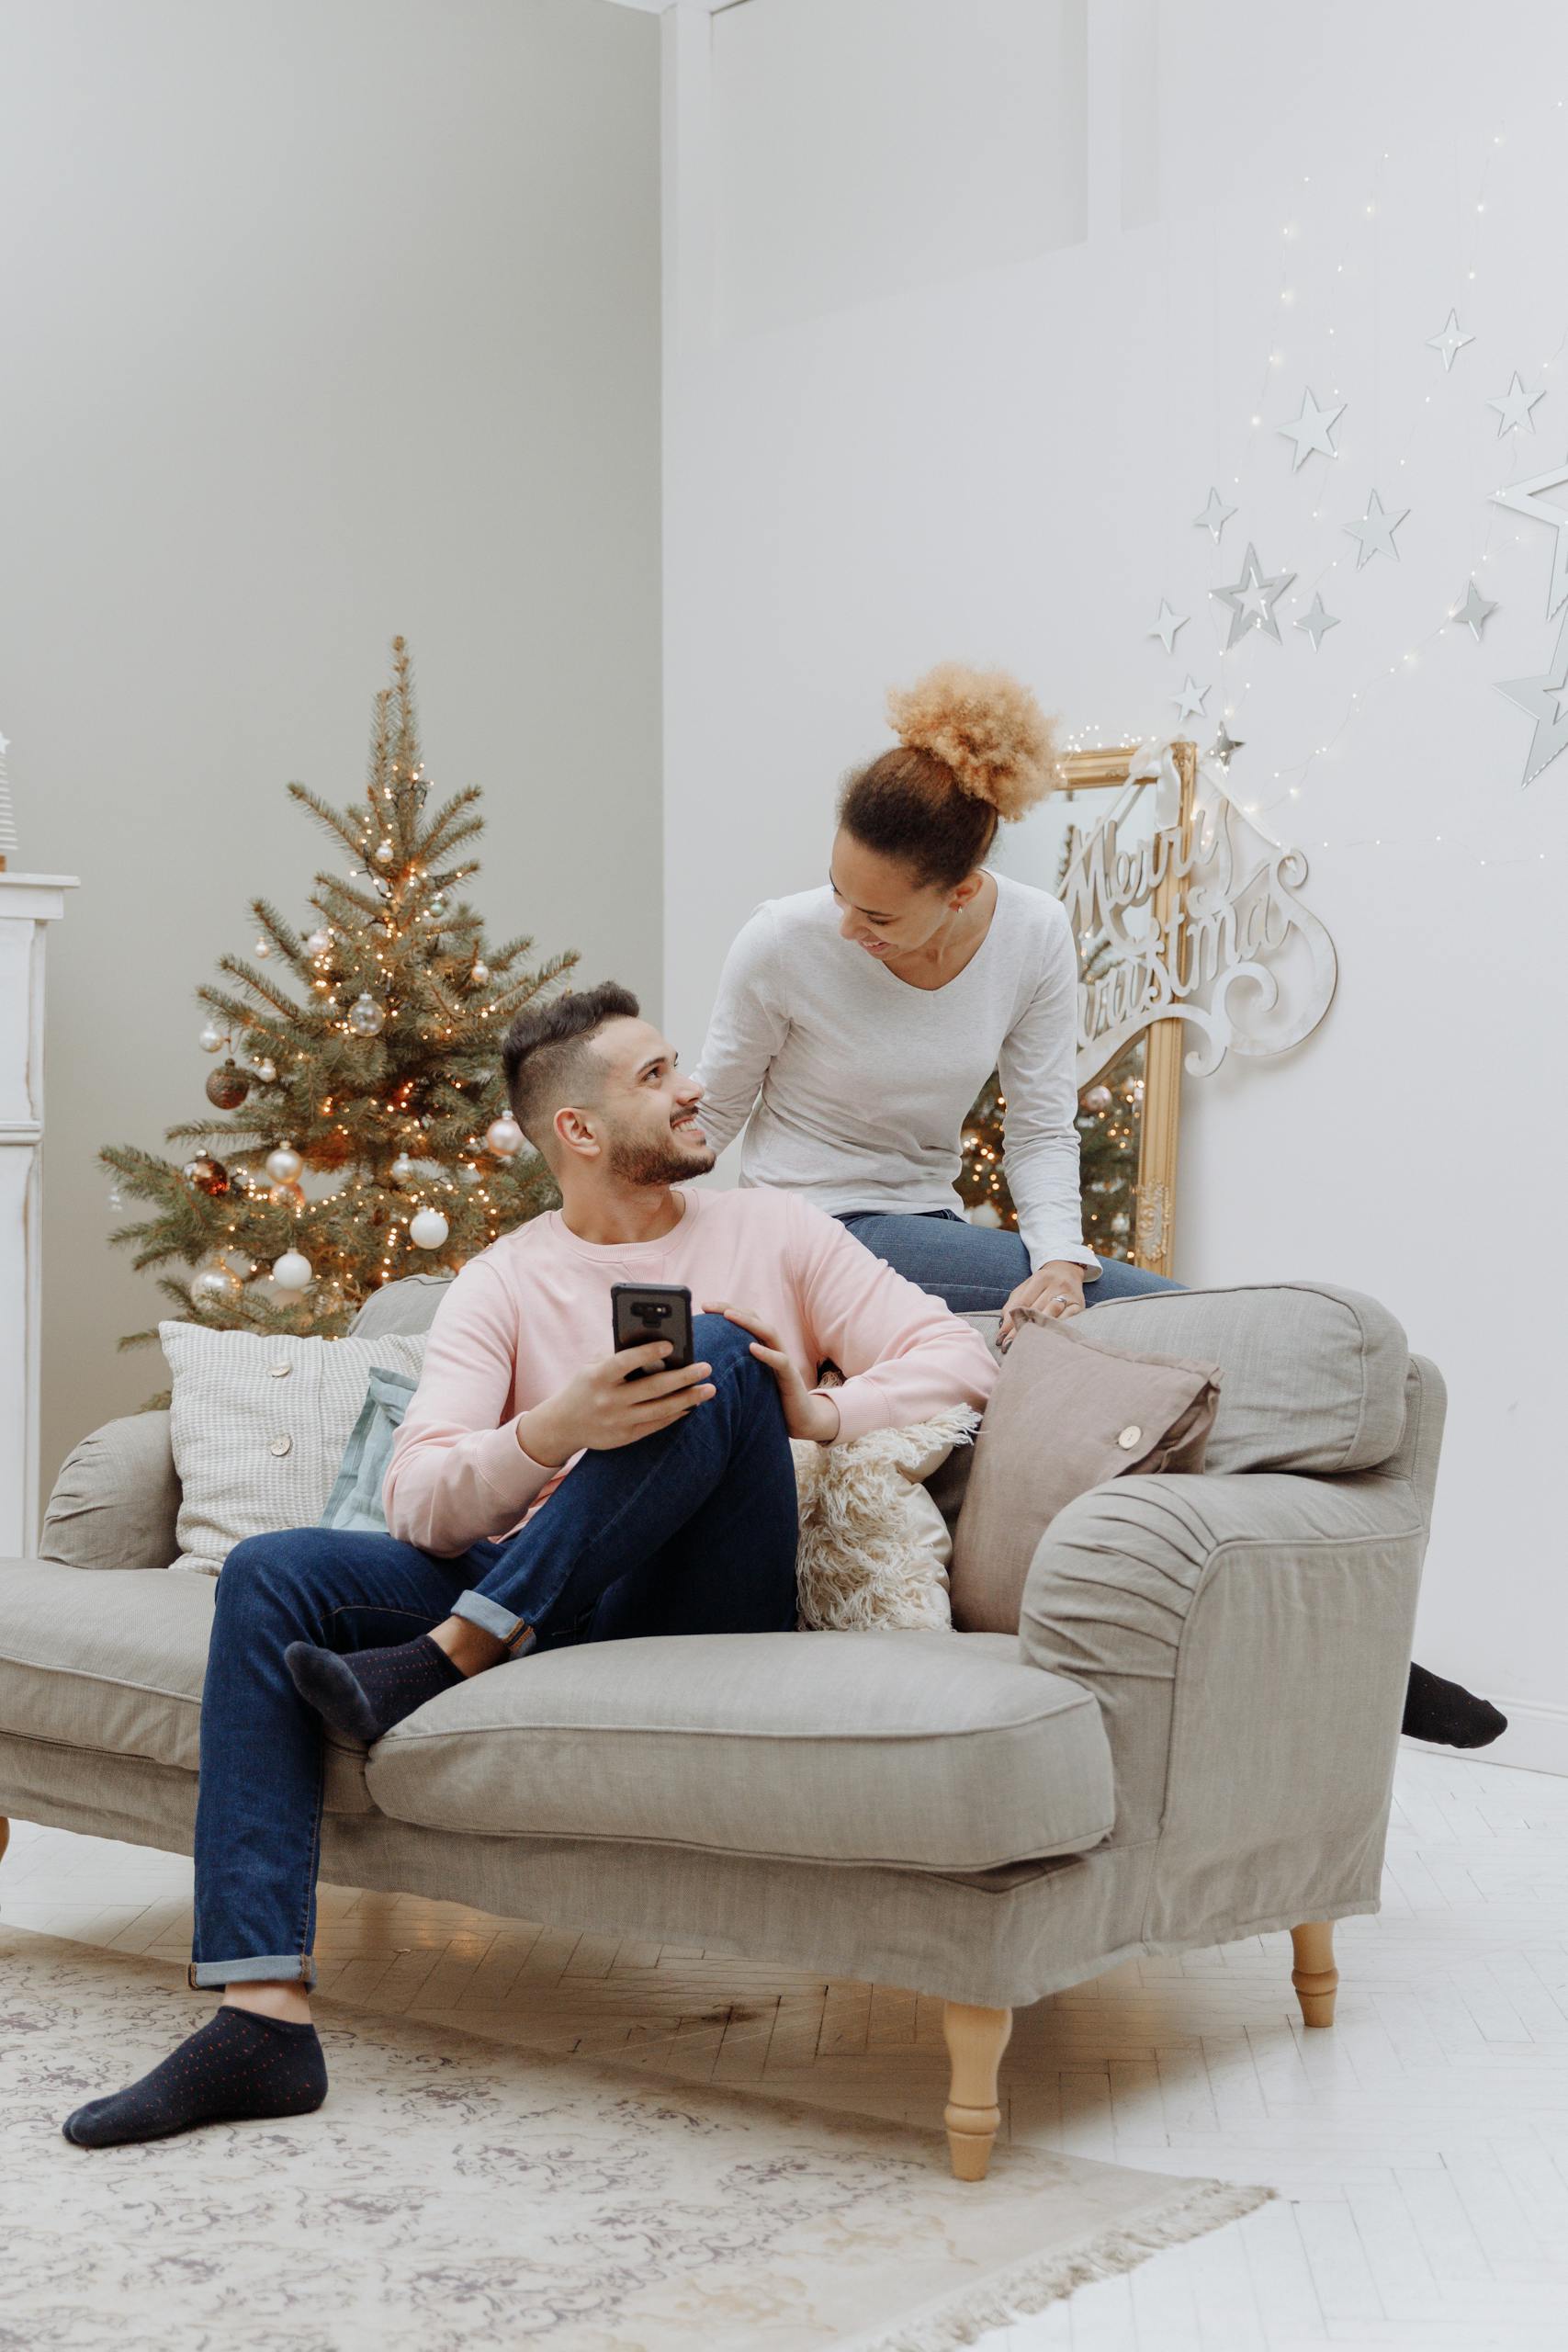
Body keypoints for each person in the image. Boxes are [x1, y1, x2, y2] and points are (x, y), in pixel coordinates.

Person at [61, 982, 996, 2150]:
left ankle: (458, 1647)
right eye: (656, 1074)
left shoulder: (778, 1231)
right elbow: (418, 1497)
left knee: (718, 1351)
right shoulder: (499, 1279)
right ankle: (263, 2020)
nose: (694, 1085)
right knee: (267, 1571)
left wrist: (819, 1407)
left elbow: (960, 1355)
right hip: (550, 1579)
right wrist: (555, 1429)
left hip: (700, 1589)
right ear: (580, 1131)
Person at [688, 660, 1505, 1752]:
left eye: (877, 912)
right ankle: (1381, 1668)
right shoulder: (779, 944)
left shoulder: (1028, 935)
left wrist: (1062, 1260)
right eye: (836, 890)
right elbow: (709, 1123)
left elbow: (1037, 1123)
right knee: (1192, 1326)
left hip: (925, 1227)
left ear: (961, 892)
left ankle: (1356, 1646)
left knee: (1152, 1331)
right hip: (812, 1231)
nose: (847, 925)